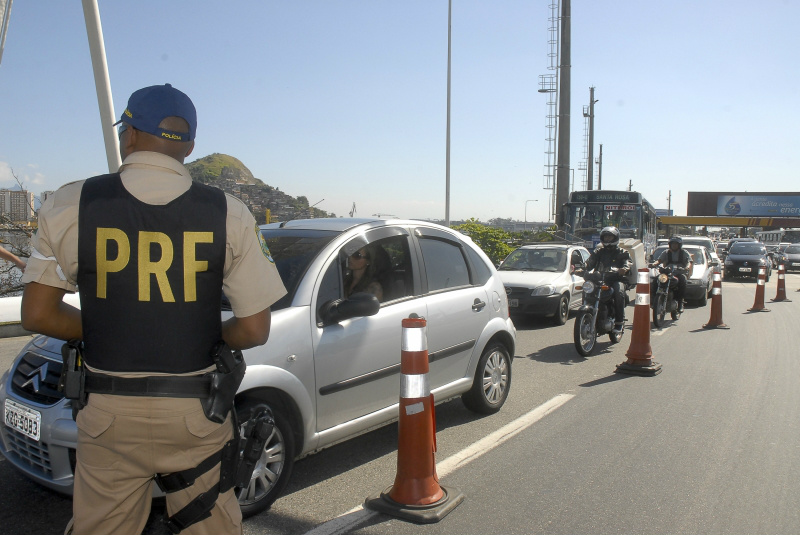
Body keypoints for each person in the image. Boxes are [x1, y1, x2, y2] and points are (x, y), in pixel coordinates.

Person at [20, 84, 286, 535]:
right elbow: (255, 328)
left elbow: (39, 315)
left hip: (107, 413)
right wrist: (211, 337)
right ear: (191, 146)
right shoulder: (230, 213)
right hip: (197, 412)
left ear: (128, 135)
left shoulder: (69, 203)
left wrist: (108, 324)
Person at [583, 226, 632, 333]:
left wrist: (624, 269)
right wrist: (582, 267)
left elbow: (627, 263)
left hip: (617, 279)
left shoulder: (622, 252)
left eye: (610, 237)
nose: (607, 239)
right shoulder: (599, 251)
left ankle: (619, 322)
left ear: (615, 238)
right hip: (601, 278)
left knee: (618, 291)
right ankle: (588, 314)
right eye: (606, 237)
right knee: (587, 289)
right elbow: (590, 262)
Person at [650, 235, 692, 313]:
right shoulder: (666, 252)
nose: (674, 245)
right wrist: (654, 264)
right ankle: (653, 300)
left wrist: (686, 268)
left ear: (679, 245)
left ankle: (680, 303)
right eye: (672, 244)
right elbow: (659, 261)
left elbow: (689, 262)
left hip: (679, 272)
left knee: (683, 281)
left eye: (676, 244)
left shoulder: (684, 252)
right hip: (668, 273)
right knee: (655, 280)